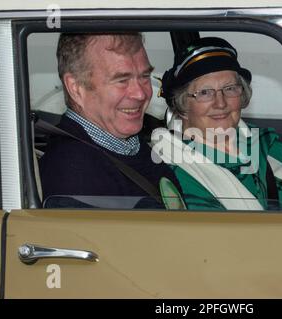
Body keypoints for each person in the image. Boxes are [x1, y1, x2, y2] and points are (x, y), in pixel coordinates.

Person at [151, 37, 282, 211]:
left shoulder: (262, 142)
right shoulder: (175, 166)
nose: (221, 103)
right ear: (182, 105)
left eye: (230, 89)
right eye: (205, 92)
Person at [39, 32, 181, 208]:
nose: (141, 93)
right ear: (76, 88)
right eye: (122, 80)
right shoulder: (74, 171)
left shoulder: (129, 146)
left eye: (144, 77)